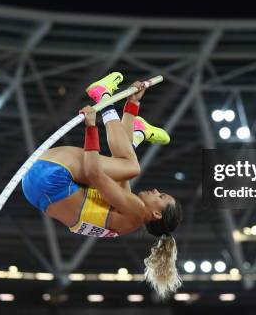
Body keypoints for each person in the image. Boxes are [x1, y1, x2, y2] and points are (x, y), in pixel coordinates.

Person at [21, 72, 183, 297]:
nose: (156, 190)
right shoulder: (128, 218)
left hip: (51, 178)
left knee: (131, 167)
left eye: (161, 196)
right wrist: (132, 104)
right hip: (35, 188)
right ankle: (136, 133)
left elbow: (93, 172)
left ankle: (103, 96)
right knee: (124, 167)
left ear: (156, 213)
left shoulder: (136, 211)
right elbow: (117, 172)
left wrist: (92, 126)